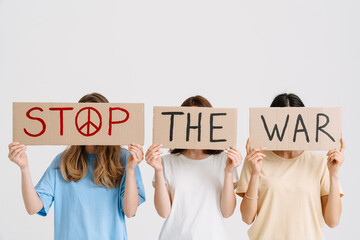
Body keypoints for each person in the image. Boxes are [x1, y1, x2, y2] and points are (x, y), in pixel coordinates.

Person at [8, 93, 145, 240]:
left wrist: (130, 169)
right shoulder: (62, 161)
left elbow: (130, 211)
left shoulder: (124, 159)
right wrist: (24, 167)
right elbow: (33, 207)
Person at [237, 93, 344, 240]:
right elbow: (247, 218)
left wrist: (334, 175)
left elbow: (333, 221)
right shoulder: (256, 159)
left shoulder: (320, 162)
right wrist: (255, 173)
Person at [146, 95, 242, 240]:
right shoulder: (166, 162)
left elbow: (227, 212)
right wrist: (158, 170)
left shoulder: (224, 161)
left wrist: (228, 173)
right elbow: (164, 212)